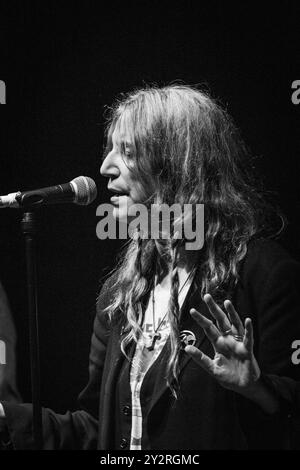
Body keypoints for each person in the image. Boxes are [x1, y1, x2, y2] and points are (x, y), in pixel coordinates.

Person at [0, 84, 300, 449]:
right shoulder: (122, 291)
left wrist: (257, 390)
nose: (105, 168)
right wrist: (7, 420)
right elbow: (99, 428)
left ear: (177, 164)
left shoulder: (265, 275)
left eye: (126, 152)